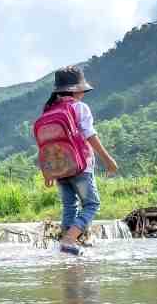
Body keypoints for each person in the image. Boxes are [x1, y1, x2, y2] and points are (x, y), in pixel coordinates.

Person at [42, 66, 118, 254]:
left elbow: (44, 144)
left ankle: (66, 246)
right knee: (92, 204)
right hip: (80, 165)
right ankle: (69, 239)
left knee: (69, 206)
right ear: (76, 89)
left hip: (59, 168)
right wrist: (107, 159)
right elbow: (89, 135)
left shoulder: (49, 110)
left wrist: (48, 170)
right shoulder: (79, 108)